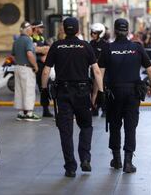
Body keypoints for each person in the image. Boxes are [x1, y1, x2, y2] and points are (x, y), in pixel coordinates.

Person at [41, 17, 104, 178]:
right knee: (86, 126)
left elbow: (46, 71)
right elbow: (97, 71)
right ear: (77, 30)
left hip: (63, 93)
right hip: (82, 93)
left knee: (65, 131)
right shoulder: (86, 46)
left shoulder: (56, 46)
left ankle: (70, 167)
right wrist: (100, 92)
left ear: (63, 29)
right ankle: (85, 158)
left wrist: (43, 90)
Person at [98, 18, 151, 173]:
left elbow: (100, 73)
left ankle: (116, 160)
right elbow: (150, 70)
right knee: (131, 127)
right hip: (132, 93)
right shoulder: (137, 47)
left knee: (115, 125)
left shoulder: (108, 48)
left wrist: (99, 92)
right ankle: (128, 162)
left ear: (115, 31)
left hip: (114, 93)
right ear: (128, 30)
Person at [12, 21, 40, 121]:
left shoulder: (17, 40)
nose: (32, 31)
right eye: (31, 29)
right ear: (27, 30)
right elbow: (29, 53)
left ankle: (20, 112)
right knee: (29, 90)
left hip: (18, 67)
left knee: (19, 90)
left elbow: (13, 55)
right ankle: (29, 113)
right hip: (27, 68)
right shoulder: (28, 40)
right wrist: (35, 65)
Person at [32, 20, 53, 117]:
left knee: (43, 87)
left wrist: (43, 50)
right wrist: (40, 55)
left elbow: (49, 48)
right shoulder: (31, 38)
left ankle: (45, 109)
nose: (43, 29)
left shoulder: (41, 37)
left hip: (41, 67)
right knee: (31, 89)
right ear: (35, 28)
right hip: (33, 67)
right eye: (41, 27)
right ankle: (28, 111)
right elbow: (31, 51)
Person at [89, 23, 108, 117]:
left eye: (95, 33)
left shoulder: (105, 45)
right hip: (92, 71)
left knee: (102, 88)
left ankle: (104, 109)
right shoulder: (90, 44)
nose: (92, 34)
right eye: (92, 32)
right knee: (93, 90)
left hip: (103, 71)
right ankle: (94, 108)